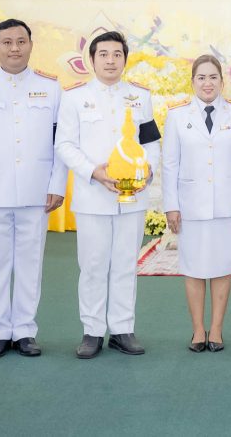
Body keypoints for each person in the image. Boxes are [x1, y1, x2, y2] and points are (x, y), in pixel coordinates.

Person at [0, 19, 67, 359]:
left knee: (31, 265)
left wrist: (57, 183)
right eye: (7, 42)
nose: (14, 48)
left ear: (31, 45)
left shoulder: (51, 86)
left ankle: (26, 331)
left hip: (36, 192)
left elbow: (61, 140)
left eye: (21, 41)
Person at [55, 31, 162, 359]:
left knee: (126, 264)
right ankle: (92, 331)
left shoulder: (140, 96)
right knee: (93, 265)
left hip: (132, 198)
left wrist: (147, 171)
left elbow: (151, 142)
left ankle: (122, 329)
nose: (111, 60)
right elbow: (64, 145)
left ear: (125, 59)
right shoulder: (75, 97)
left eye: (117, 54)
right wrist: (93, 171)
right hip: (93, 196)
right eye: (103, 54)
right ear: (91, 60)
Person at [163, 55, 231, 353]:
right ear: (192, 82)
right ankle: (197, 330)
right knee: (193, 267)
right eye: (201, 77)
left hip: (228, 205)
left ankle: (215, 329)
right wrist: (171, 205)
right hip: (190, 205)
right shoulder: (177, 116)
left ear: (222, 82)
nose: (207, 83)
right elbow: (170, 164)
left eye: (213, 77)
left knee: (222, 266)